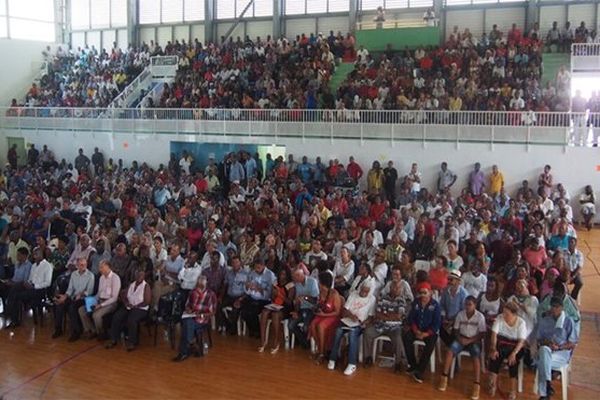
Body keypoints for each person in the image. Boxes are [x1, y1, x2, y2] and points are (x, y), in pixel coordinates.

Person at [438, 296, 486, 400]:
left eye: (470, 304)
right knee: (450, 351)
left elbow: (482, 334)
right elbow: (455, 330)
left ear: (475, 305)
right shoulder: (460, 314)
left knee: (476, 356)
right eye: (466, 304)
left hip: (474, 340)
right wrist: (460, 339)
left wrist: (470, 340)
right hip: (461, 338)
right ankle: (444, 376)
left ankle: (477, 384)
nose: (467, 306)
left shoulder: (480, 317)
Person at [363, 273, 412, 372]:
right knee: (367, 332)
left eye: (398, 288)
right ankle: (368, 357)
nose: (396, 290)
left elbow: (399, 316)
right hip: (380, 325)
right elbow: (377, 313)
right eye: (394, 288)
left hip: (394, 328)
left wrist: (387, 316)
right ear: (390, 288)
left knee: (398, 339)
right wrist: (390, 316)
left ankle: (398, 363)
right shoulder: (383, 298)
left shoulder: (401, 301)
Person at [327, 281, 376, 376]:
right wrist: (351, 315)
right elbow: (345, 309)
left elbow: (371, 317)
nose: (363, 293)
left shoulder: (372, 299)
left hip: (360, 324)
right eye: (362, 290)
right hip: (348, 320)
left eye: (366, 292)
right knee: (338, 331)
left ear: (369, 292)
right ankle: (333, 358)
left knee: (352, 334)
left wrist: (363, 322)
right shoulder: (353, 294)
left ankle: (352, 363)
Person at [535, 297, 578, 400]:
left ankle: (545, 391)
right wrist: (548, 343)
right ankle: (547, 387)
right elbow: (539, 340)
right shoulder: (545, 320)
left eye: (557, 307)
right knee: (544, 351)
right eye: (552, 306)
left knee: (543, 359)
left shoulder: (568, 321)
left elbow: (572, 343)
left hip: (561, 354)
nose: (554, 309)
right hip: (547, 351)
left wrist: (559, 347)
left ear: (562, 308)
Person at [403, 281, 442, 383]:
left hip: (429, 332)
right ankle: (412, 364)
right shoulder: (416, 302)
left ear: (430, 293)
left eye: (425, 293)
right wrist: (416, 331)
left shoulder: (435, 305)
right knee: (406, 337)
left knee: (429, 346)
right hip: (417, 329)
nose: (423, 295)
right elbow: (411, 318)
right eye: (421, 293)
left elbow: (437, 324)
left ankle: (420, 370)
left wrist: (426, 333)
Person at [487, 301, 527, 399]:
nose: (504, 315)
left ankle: (513, 390)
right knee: (494, 356)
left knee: (512, 362)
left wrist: (514, 353)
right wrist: (493, 348)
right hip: (502, 345)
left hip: (516, 347)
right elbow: (494, 335)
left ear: (514, 314)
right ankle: (493, 384)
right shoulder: (500, 318)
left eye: (507, 314)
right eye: (504, 312)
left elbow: (521, 341)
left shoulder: (521, 323)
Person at [173, 275, 217, 362]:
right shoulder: (193, 292)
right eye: (198, 284)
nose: (199, 287)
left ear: (205, 285)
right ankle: (189, 345)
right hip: (192, 316)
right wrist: (189, 310)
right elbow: (187, 305)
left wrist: (201, 314)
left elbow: (212, 312)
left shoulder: (211, 294)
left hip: (202, 318)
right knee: (187, 322)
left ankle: (185, 350)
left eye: (201, 285)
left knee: (187, 324)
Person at [6, 247, 53, 328]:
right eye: (34, 254)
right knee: (15, 289)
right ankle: (13, 317)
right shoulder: (34, 265)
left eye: (36, 254)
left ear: (42, 255)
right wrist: (28, 283)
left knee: (16, 295)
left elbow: (48, 283)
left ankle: (12, 316)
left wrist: (35, 286)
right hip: (30, 287)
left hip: (39, 290)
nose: (34, 256)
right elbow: (30, 278)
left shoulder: (47, 266)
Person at [106, 268, 151, 351]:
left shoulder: (146, 286)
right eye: (137, 275)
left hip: (141, 308)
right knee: (117, 316)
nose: (139, 276)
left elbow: (147, 301)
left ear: (144, 276)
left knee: (131, 319)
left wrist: (136, 306)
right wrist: (126, 303)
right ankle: (113, 339)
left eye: (141, 275)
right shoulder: (132, 284)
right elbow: (124, 295)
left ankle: (132, 342)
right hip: (129, 306)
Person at [52, 257, 95, 340]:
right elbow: (70, 289)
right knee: (59, 305)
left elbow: (89, 291)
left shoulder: (90, 275)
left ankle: (76, 331)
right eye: (81, 265)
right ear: (77, 266)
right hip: (73, 296)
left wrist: (81, 294)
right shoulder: (74, 274)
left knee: (72, 308)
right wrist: (65, 296)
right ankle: (58, 329)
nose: (83, 266)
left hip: (84, 299)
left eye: (84, 265)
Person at [78, 260, 121, 340]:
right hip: (100, 300)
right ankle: (91, 330)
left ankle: (101, 333)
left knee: (96, 315)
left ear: (108, 267)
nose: (100, 269)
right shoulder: (101, 278)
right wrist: (92, 300)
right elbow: (99, 293)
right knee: (82, 310)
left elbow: (114, 298)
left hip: (110, 303)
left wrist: (100, 305)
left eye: (101, 267)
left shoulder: (115, 278)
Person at [258, 269, 292, 354]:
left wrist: (279, 294)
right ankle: (263, 341)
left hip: (285, 307)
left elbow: (289, 302)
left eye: (284, 274)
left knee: (275, 315)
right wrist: (273, 294)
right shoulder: (275, 283)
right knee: (264, 312)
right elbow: (272, 298)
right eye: (280, 274)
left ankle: (276, 342)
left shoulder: (290, 285)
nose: (281, 276)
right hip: (275, 304)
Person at [240, 260, 276, 337]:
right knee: (243, 311)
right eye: (255, 267)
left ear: (263, 266)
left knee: (253, 311)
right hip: (252, 297)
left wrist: (259, 289)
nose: (256, 269)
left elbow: (270, 294)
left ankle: (258, 331)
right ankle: (252, 329)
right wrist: (247, 286)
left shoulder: (270, 275)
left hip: (264, 300)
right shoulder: (252, 273)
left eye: (258, 267)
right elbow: (247, 289)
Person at [289, 267, 319, 349]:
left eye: (294, 277)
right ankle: (305, 343)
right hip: (302, 309)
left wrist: (305, 297)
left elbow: (316, 300)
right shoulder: (297, 284)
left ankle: (306, 343)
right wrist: (296, 310)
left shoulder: (312, 282)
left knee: (306, 327)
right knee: (291, 325)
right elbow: (297, 302)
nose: (293, 279)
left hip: (311, 309)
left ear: (299, 276)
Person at [220, 256, 248, 335]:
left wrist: (240, 299)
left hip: (240, 297)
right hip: (229, 296)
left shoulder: (246, 274)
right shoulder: (229, 273)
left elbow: (248, 291)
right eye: (233, 263)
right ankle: (227, 324)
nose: (235, 264)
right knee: (218, 306)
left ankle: (233, 329)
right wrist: (221, 296)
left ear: (240, 263)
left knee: (235, 309)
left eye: (236, 262)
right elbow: (225, 285)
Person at [439, 270, 468, 346]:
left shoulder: (463, 293)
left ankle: (451, 349)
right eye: (449, 279)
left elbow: (463, 310)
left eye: (451, 280)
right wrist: (444, 317)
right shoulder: (445, 290)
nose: (449, 281)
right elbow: (442, 305)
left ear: (458, 281)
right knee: (438, 328)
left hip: (459, 320)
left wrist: (453, 321)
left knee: (454, 332)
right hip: (447, 319)